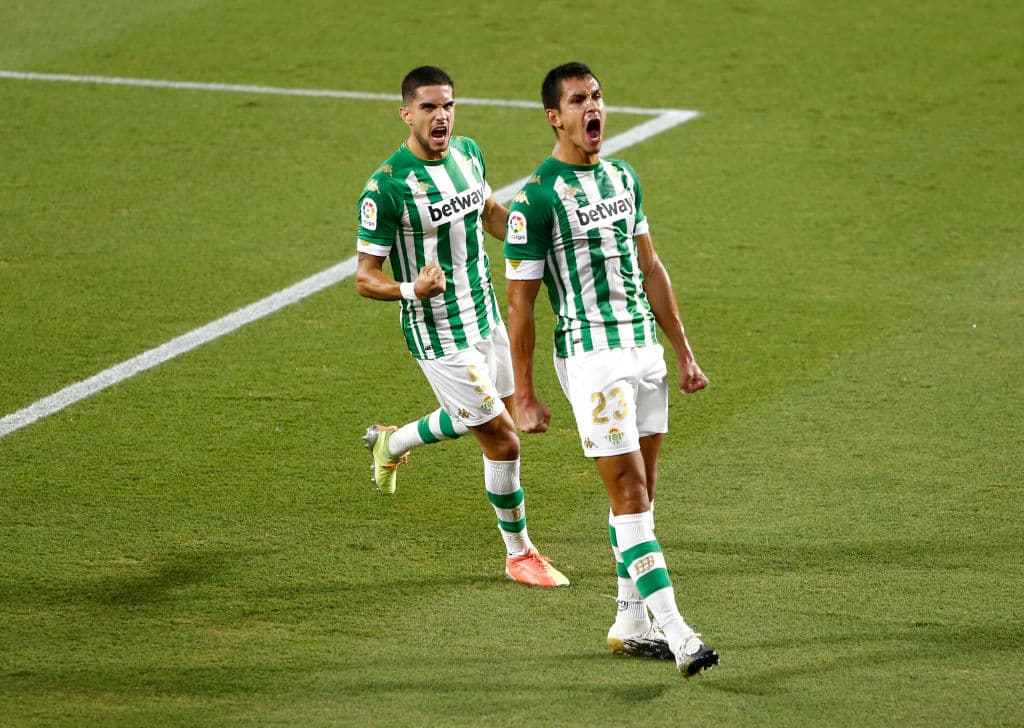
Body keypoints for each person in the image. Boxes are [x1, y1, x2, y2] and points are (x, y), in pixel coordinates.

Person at [503, 62, 719, 677]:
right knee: (626, 490)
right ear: (556, 116)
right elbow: (520, 302)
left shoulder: (624, 177)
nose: (593, 108)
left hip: (643, 351)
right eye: (578, 101)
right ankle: (678, 634)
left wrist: (683, 352)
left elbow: (651, 269)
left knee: (641, 497)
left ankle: (629, 621)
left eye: (597, 96)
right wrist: (525, 393)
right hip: (592, 358)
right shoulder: (537, 198)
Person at [355, 65, 569, 589]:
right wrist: (412, 289)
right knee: (502, 441)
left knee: (485, 415)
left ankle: (393, 441)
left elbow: (491, 213)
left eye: (447, 105)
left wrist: (542, 246)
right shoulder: (386, 188)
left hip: (485, 315)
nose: (441, 116)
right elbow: (365, 277)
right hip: (438, 332)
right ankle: (518, 554)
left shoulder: (469, 154)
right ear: (407, 114)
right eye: (428, 107)